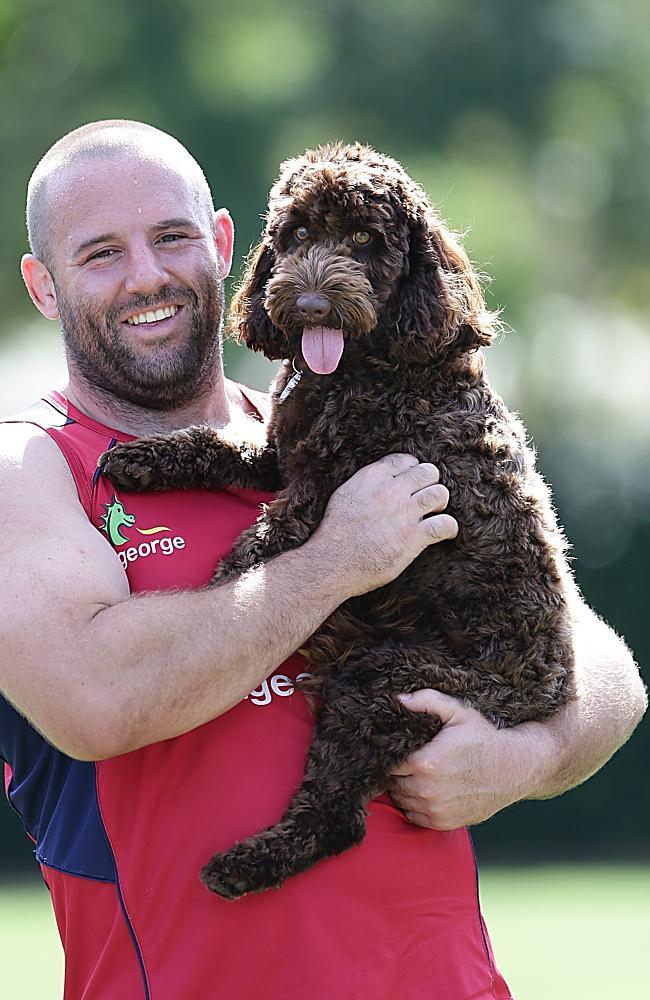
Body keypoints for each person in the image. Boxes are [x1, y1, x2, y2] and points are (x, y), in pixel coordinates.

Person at [0, 120, 644, 1000]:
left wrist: (527, 753)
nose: (147, 274)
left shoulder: (352, 424)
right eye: (101, 252)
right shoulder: (30, 471)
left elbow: (603, 666)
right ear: (43, 285)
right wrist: (337, 558)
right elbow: (98, 701)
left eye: (173, 237)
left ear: (224, 244)